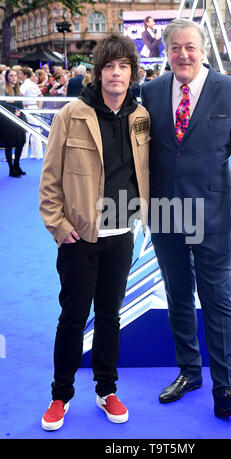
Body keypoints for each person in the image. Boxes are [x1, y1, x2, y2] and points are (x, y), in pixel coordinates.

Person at [141, 19, 231, 418]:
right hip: (165, 214)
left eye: (190, 47)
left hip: (211, 215)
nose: (183, 55)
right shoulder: (150, 92)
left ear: (203, 49)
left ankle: (225, 389)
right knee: (178, 295)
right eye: (175, 47)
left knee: (217, 301)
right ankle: (189, 372)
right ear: (167, 51)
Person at [39, 33, 150, 431]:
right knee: (72, 317)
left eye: (123, 66)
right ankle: (60, 395)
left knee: (109, 316)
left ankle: (107, 389)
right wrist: (59, 226)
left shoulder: (141, 117)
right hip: (79, 237)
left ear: (132, 73)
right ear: (98, 73)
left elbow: (145, 170)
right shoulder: (71, 114)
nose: (116, 73)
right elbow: (49, 179)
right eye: (109, 66)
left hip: (121, 234)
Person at [0, 68, 27, 177]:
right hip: (7, 121)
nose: (14, 77)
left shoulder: (18, 90)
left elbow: (20, 106)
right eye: (11, 75)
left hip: (18, 120)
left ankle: (17, 165)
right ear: (7, 77)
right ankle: (11, 168)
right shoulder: (3, 90)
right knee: (9, 145)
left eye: (15, 75)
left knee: (21, 142)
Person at [18, 67, 44, 160]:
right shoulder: (33, 84)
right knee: (36, 132)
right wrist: (38, 108)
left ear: (25, 75)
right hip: (34, 108)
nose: (18, 75)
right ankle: (37, 154)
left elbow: (20, 95)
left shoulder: (24, 85)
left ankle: (22, 154)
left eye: (20, 73)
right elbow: (41, 96)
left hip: (27, 108)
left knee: (25, 132)